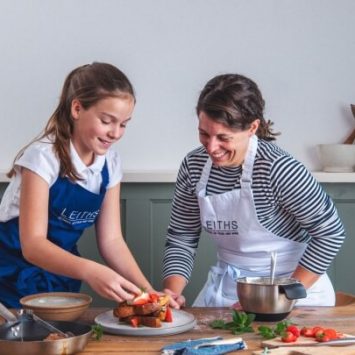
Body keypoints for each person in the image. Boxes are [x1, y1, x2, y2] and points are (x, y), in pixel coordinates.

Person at [162, 73, 346, 307]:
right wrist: (172, 292)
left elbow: (331, 234)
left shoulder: (278, 168)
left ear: (252, 127)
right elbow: (182, 236)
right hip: (228, 287)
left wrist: (278, 296)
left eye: (223, 137)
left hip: (295, 292)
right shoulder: (194, 165)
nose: (211, 147)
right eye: (204, 134)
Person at [0, 62, 154, 308]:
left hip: (60, 277)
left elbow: (112, 240)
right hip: (9, 276)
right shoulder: (42, 157)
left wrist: (148, 291)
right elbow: (33, 245)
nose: (115, 133)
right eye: (107, 121)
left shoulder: (110, 163)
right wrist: (91, 271)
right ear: (77, 108)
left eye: (124, 124)